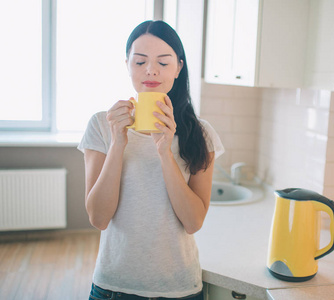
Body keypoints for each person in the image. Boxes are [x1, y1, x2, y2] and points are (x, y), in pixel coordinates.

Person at [78, 20, 224, 300]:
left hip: (180, 288)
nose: (151, 70)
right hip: (114, 287)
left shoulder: (200, 134)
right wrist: (119, 143)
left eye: (163, 62)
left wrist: (164, 151)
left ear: (179, 67)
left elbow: (193, 222)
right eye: (140, 61)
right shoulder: (102, 124)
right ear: (127, 64)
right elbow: (98, 217)